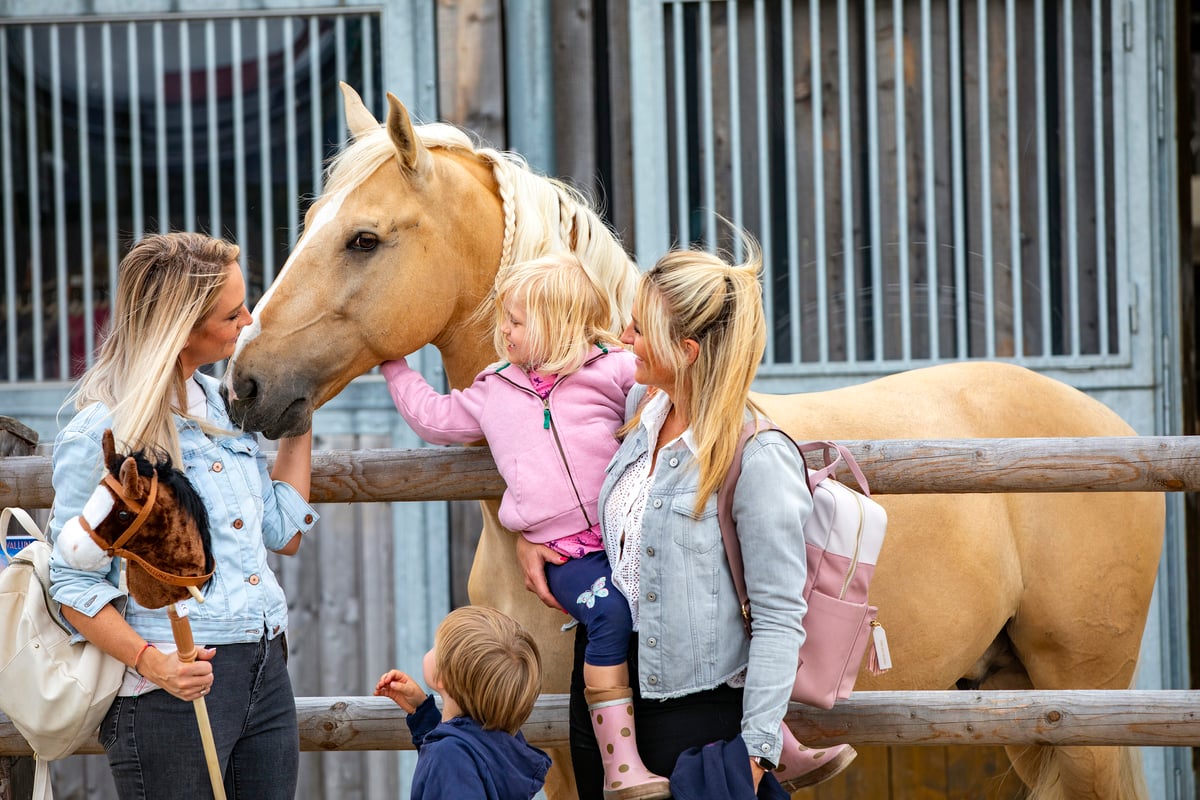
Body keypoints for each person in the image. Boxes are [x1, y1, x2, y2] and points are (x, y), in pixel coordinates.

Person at [517, 243, 858, 797]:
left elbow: (778, 617)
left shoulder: (758, 457)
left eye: (640, 329)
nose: (625, 339)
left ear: (689, 350)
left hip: (694, 721)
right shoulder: (638, 411)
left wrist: (755, 754)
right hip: (603, 704)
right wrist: (531, 538)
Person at [381, 252, 671, 799]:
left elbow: (659, 406)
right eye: (505, 318)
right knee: (610, 613)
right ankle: (620, 762)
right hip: (565, 554)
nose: (503, 331)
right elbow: (435, 419)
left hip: (624, 536)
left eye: (516, 321)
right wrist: (395, 365)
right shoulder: (495, 390)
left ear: (560, 327)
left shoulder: (611, 370)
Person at [47, 232, 318, 799]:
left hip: (266, 666)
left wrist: (299, 414)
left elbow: (283, 532)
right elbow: (71, 582)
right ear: (182, 329)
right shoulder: (104, 435)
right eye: (232, 313)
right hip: (172, 691)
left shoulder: (223, 404)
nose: (249, 321)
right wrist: (154, 664)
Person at [374, 605, 551, 799]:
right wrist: (422, 712)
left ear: (443, 677)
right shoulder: (498, 745)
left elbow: (453, 765)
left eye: (436, 647)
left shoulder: (449, 757)